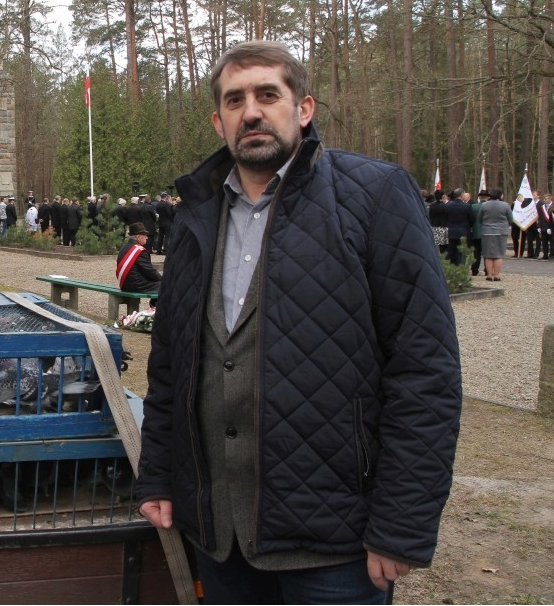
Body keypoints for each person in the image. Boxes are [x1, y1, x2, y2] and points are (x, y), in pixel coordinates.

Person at [136, 40, 461, 605]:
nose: (252, 111)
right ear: (220, 121)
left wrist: (401, 525)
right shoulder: (197, 215)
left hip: (335, 542)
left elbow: (425, 372)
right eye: (235, 101)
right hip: (222, 536)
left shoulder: (374, 196)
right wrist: (160, 476)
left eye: (268, 94)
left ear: (303, 109)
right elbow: (170, 366)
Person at [116, 222, 161, 297]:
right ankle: (154, 307)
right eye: (145, 235)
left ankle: (154, 306)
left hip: (124, 285)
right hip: (137, 285)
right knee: (167, 286)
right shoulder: (140, 251)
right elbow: (150, 271)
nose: (147, 237)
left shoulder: (124, 247)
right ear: (138, 237)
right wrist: (163, 278)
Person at [479, 187, 513, 281]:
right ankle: (497, 275)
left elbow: (480, 218)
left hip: (487, 231)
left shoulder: (484, 205)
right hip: (501, 232)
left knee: (487, 254)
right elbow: (510, 219)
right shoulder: (505, 205)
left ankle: (489, 275)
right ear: (500, 195)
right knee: (499, 254)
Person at [445, 188, 474, 266]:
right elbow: (471, 219)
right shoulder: (467, 206)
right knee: (461, 252)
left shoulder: (448, 205)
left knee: (451, 251)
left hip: (451, 230)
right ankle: (460, 267)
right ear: (461, 195)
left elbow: (445, 217)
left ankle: (451, 267)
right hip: (463, 230)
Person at [469, 190, 489, 275]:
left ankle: (474, 269)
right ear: (488, 197)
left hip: (476, 232)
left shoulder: (473, 206)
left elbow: (470, 219)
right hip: (487, 232)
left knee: (476, 252)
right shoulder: (489, 207)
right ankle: (487, 269)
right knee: (487, 253)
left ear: (479, 197)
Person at [540, 194, 553, 260]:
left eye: (546, 199)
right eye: (544, 199)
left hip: (551, 227)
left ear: (550, 199)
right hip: (544, 227)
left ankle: (552, 255)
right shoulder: (542, 207)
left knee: (552, 242)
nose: (545, 200)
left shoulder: (553, 206)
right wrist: (539, 227)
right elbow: (540, 217)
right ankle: (545, 255)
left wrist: (550, 227)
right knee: (544, 242)